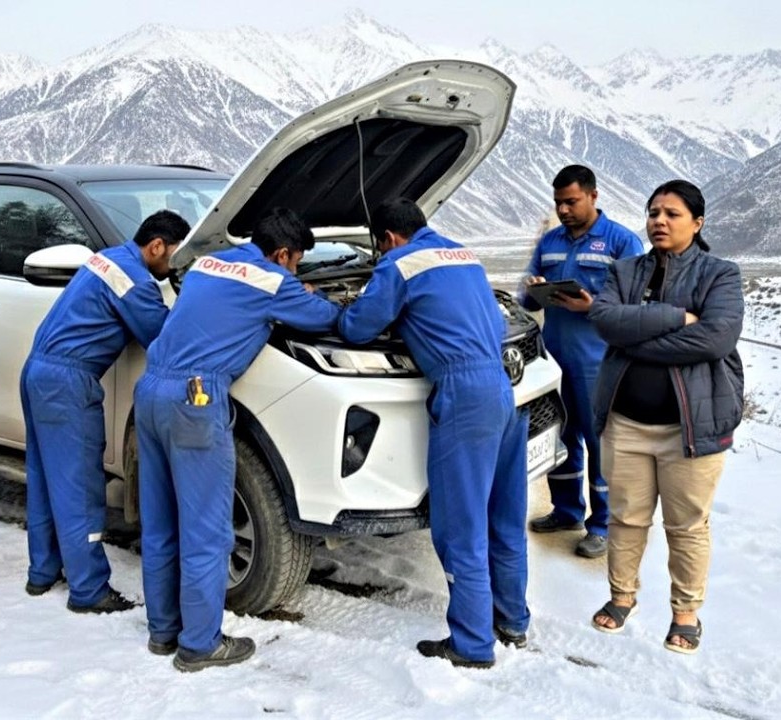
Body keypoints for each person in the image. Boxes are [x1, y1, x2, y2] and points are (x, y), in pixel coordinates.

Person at [134, 207, 340, 672]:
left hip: (150, 393)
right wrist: (308, 291)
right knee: (207, 529)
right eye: (296, 263)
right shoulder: (271, 281)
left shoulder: (208, 263)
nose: (295, 271)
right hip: (196, 396)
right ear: (282, 254)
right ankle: (200, 645)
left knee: (162, 520)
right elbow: (327, 318)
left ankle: (164, 631)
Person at [338, 198, 530, 669]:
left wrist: (343, 309)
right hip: (505, 391)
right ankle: (512, 621)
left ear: (385, 239)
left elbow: (358, 328)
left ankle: (471, 645)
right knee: (503, 516)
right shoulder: (463, 254)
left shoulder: (398, 266)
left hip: (462, 397)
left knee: (459, 527)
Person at [586, 179, 744, 655]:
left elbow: (716, 339)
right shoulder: (624, 269)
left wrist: (635, 333)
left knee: (687, 525)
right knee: (626, 518)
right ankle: (621, 597)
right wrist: (678, 319)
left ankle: (685, 613)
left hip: (692, 429)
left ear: (697, 223)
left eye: (672, 213)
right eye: (653, 212)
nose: (659, 220)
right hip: (626, 424)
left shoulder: (721, 274)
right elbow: (603, 320)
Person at [20, 209, 191, 614]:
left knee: (46, 479)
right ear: (156, 247)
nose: (175, 267)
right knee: (79, 487)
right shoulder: (133, 281)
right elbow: (163, 340)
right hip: (69, 382)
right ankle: (89, 590)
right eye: (175, 258)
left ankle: (42, 572)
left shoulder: (109, 257)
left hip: (37, 371)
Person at [521, 164, 645, 559]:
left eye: (571, 201)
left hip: (600, 362)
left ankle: (603, 524)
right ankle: (566, 510)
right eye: (558, 202)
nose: (563, 210)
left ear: (593, 196)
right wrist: (535, 289)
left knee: (601, 443)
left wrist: (594, 308)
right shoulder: (550, 242)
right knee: (561, 435)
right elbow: (526, 298)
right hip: (554, 358)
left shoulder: (622, 243)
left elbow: (636, 305)